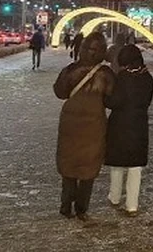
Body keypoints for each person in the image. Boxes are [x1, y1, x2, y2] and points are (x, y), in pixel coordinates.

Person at [53, 32, 115, 220]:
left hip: (70, 124)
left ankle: (66, 205)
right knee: (88, 166)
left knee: (68, 163)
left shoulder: (71, 70)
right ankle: (82, 208)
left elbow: (60, 92)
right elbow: (111, 100)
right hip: (94, 125)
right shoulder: (105, 74)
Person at [105, 45, 153, 217]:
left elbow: (112, 102)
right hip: (139, 124)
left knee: (117, 164)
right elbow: (147, 100)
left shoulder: (123, 78)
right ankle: (132, 205)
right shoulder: (148, 78)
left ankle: (115, 196)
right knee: (135, 167)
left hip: (120, 124)